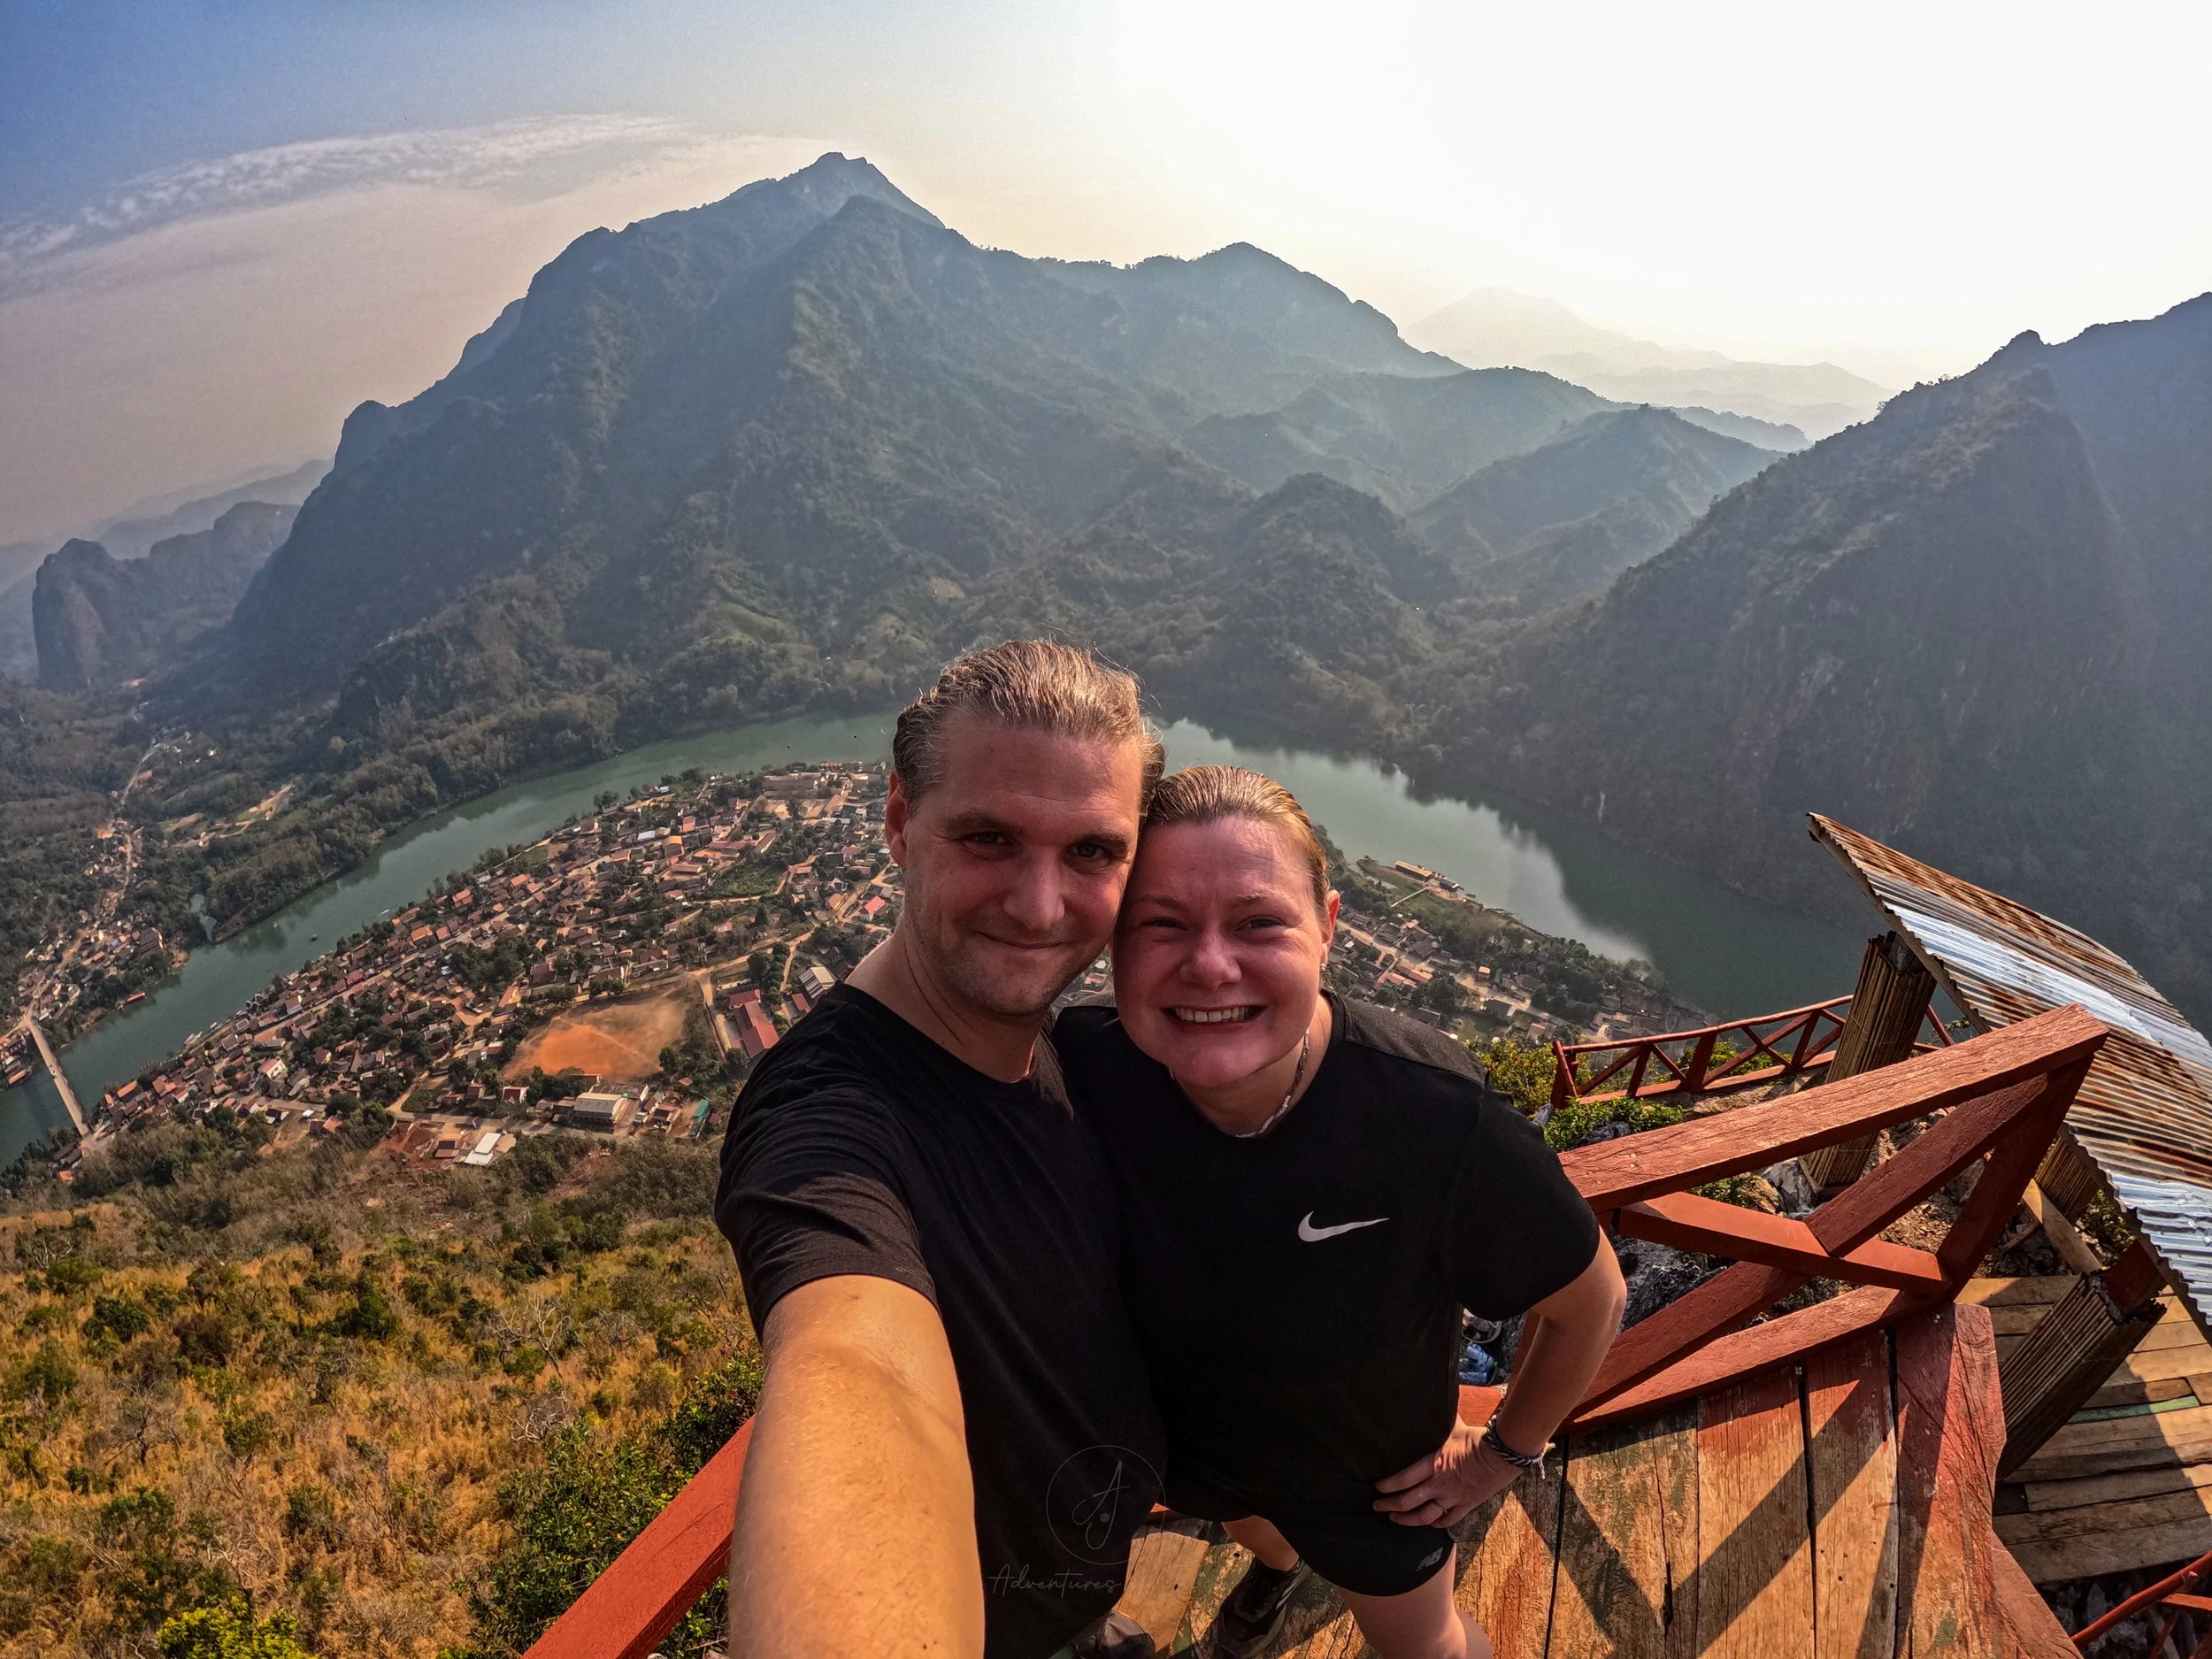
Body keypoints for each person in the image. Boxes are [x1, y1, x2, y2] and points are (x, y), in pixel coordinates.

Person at [1057, 766, 1626, 1659]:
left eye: (1259, 922)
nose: (1210, 965)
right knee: (1254, 1529)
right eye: (1161, 924)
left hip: (1373, 1483)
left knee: (1427, 1647)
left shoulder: (1432, 1117)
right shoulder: (1085, 1065)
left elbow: (1591, 1300)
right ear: (1114, 944)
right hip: (1193, 1445)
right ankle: (1278, 1570)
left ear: (1326, 927)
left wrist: (1501, 1455)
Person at [717, 641, 1170, 1659]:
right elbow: (853, 1361)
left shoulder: (1074, 1049)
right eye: (989, 838)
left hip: (1080, 1578)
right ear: (898, 823)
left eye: (1091, 852)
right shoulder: (828, 1123)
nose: (1040, 905)